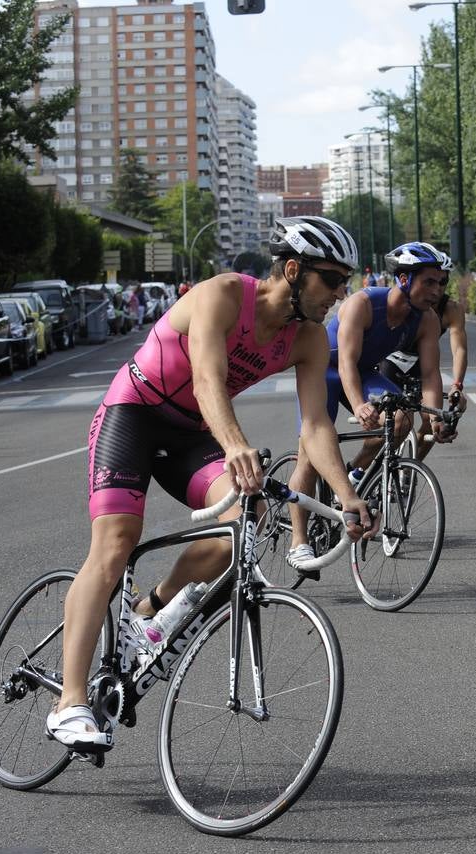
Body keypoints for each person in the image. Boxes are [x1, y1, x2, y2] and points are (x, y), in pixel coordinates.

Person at [45, 216, 372, 751]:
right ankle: (70, 702)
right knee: (115, 543)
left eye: (345, 282)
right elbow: (206, 378)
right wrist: (237, 445)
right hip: (134, 411)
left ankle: (150, 611)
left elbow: (315, 426)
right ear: (293, 270)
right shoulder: (222, 294)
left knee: (242, 520)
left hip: (190, 433)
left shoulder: (309, 340)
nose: (342, 293)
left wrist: (348, 494)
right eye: (333, 280)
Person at [285, 240, 456, 569]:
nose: (437, 290)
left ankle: (354, 472)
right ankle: (299, 541)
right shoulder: (362, 304)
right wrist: (360, 404)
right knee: (310, 453)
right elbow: (345, 362)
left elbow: (431, 374)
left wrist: (434, 418)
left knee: (402, 416)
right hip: (324, 371)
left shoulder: (427, 320)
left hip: (363, 373)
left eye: (442, 282)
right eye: (429, 282)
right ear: (404, 280)